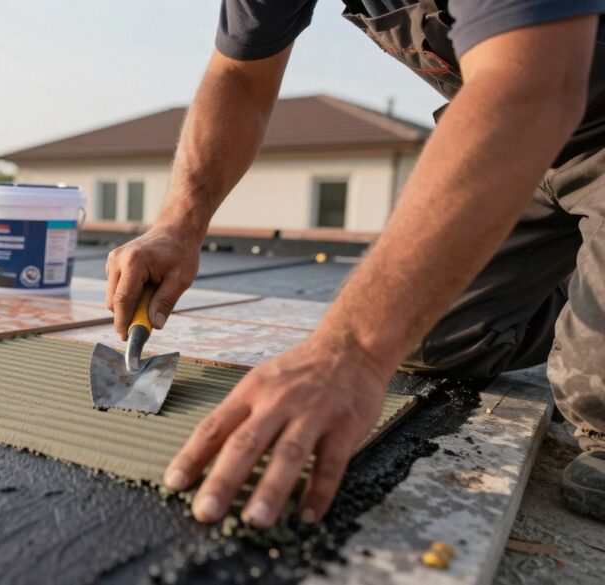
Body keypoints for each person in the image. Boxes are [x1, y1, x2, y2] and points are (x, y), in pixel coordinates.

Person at [105, 0, 605, 528]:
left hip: (541, 103)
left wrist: (353, 347)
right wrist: (178, 224)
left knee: (594, 391)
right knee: (421, 333)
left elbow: (530, 88)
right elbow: (239, 75)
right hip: (531, 140)